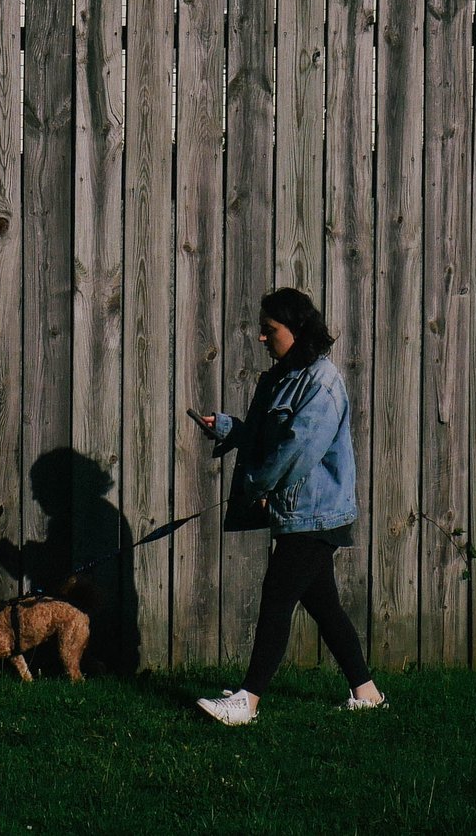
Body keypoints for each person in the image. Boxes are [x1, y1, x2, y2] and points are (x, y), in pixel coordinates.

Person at [190, 287, 385, 726]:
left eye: (269, 330)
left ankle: (247, 701)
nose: (261, 338)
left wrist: (257, 485)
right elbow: (265, 437)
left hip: (317, 514)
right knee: (324, 605)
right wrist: (225, 427)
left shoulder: (322, 382)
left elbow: (298, 450)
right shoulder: (277, 378)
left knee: (276, 597)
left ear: (296, 330)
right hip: (295, 513)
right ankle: (367, 692)